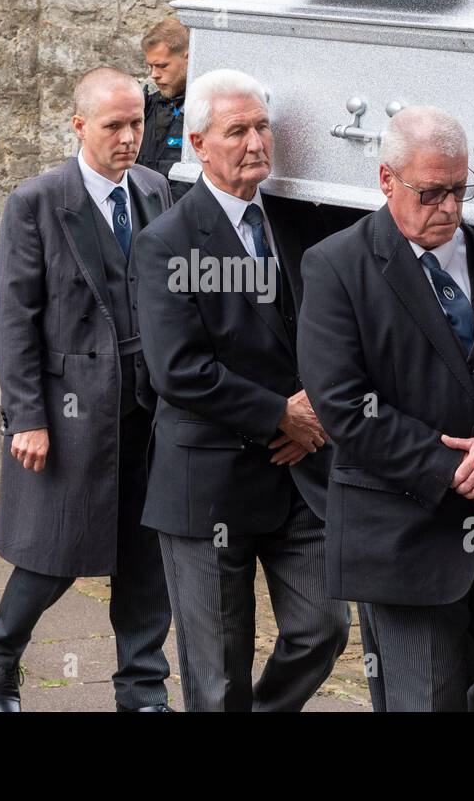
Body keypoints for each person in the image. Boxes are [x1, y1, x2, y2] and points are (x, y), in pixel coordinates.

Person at [297, 106, 474, 711]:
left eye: (459, 189)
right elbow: (343, 404)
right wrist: (456, 468)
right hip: (404, 529)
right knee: (425, 701)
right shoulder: (336, 267)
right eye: (430, 193)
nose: (449, 208)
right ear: (385, 180)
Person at [132, 67, 351, 712]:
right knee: (216, 671)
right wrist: (278, 414)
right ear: (198, 144)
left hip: (301, 474)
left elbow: (337, 329)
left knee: (323, 630)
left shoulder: (299, 223)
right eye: (237, 131)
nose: (256, 143)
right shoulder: (166, 241)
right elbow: (176, 369)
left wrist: (319, 406)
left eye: (263, 128)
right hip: (210, 482)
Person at [0, 67, 174, 713]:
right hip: (71, 406)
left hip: (150, 405)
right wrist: (26, 415)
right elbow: (15, 315)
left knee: (149, 552)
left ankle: (142, 687)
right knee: (56, 548)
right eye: (114, 125)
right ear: (80, 124)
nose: (128, 136)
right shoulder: (38, 199)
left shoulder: (155, 189)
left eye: (136, 122)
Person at [136, 17, 191, 201]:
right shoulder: (144, 109)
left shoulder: (209, 112)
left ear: (189, 57)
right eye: (151, 66)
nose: (154, 75)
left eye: (162, 66)